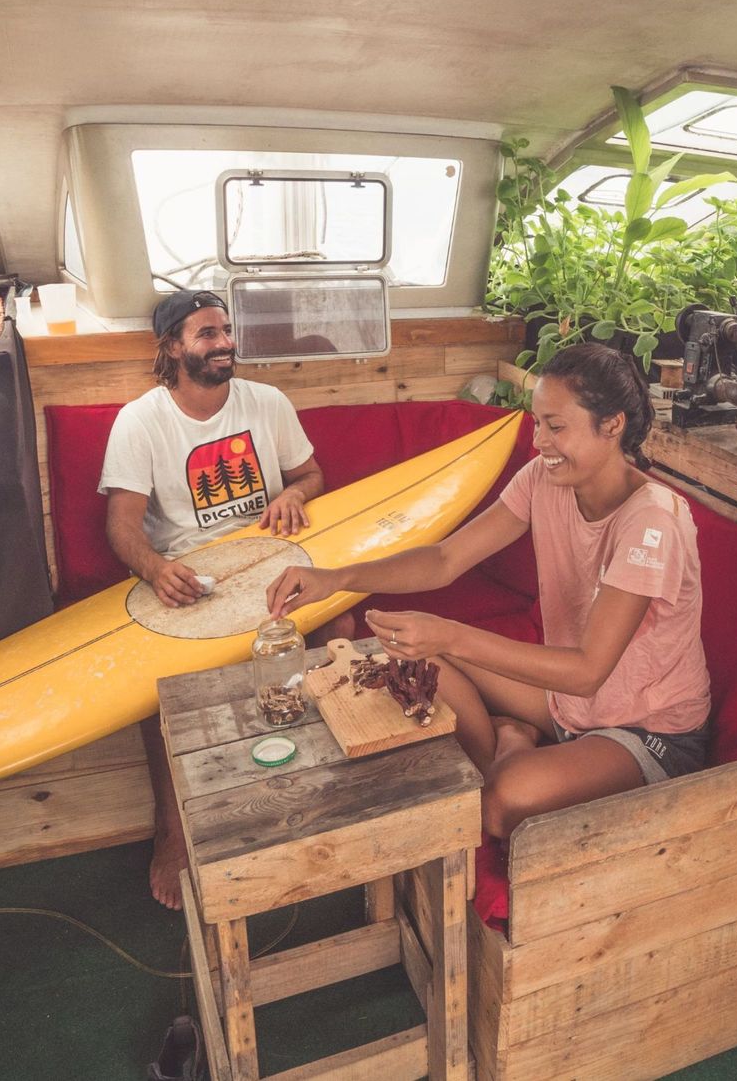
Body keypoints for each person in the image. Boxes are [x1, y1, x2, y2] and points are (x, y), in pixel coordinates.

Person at [264, 343, 711, 838]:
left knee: (499, 803)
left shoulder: (653, 522)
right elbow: (445, 559)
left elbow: (587, 671)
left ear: (612, 425)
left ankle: (512, 747)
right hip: (564, 704)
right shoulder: (545, 478)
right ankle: (494, 753)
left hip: (645, 728)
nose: (539, 441)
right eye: (537, 423)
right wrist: (336, 578)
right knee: (409, 658)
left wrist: (449, 635)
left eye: (556, 426)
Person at [99, 289, 344, 908]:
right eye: (207, 334)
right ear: (173, 347)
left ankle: (321, 799)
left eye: (227, 331)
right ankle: (174, 832)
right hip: (187, 576)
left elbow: (311, 474)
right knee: (159, 697)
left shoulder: (266, 402)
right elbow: (122, 524)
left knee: (326, 636)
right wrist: (157, 569)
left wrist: (294, 496)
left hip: (265, 558)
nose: (225, 343)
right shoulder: (141, 420)